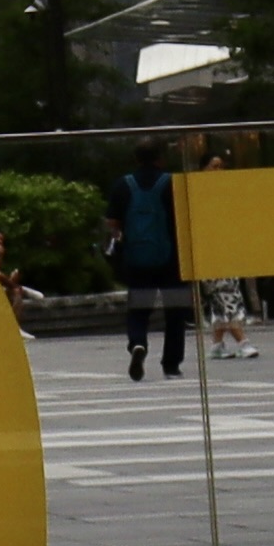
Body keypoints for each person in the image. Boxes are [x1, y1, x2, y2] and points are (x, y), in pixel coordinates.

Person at [114, 135, 192, 379]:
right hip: (172, 260)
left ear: (136, 158)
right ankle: (171, 364)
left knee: (138, 309)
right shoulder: (173, 183)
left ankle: (138, 343)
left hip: (138, 260)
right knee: (175, 312)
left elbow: (112, 222)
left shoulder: (123, 185)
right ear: (161, 157)